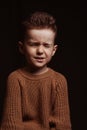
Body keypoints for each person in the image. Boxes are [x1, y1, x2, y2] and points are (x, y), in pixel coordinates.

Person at [0, 11, 72, 130]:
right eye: (34, 44)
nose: (40, 51)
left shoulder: (59, 80)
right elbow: (11, 125)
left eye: (46, 45)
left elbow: (63, 125)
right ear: (22, 47)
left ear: (53, 50)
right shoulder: (15, 78)